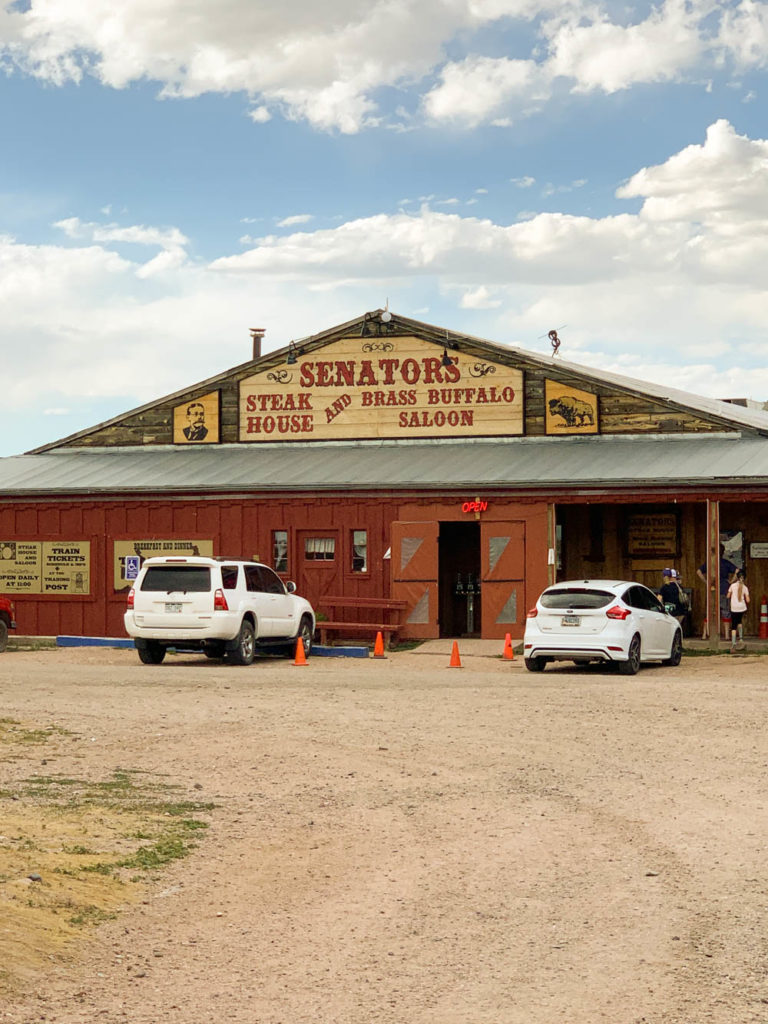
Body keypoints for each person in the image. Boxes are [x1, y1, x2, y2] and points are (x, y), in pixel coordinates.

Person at [697, 545, 737, 640]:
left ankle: (704, 634)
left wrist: (706, 582)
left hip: (712, 588)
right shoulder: (725, 563)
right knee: (725, 611)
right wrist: (731, 581)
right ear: (722, 552)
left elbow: (698, 571)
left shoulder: (709, 563)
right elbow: (737, 571)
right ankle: (727, 635)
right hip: (724, 589)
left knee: (709, 612)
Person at [726, 570, 750, 651]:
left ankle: (733, 643)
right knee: (739, 621)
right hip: (742, 608)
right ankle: (741, 638)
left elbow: (728, 596)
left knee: (734, 625)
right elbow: (748, 600)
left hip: (734, 608)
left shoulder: (732, 586)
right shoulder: (745, 588)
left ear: (737, 577)